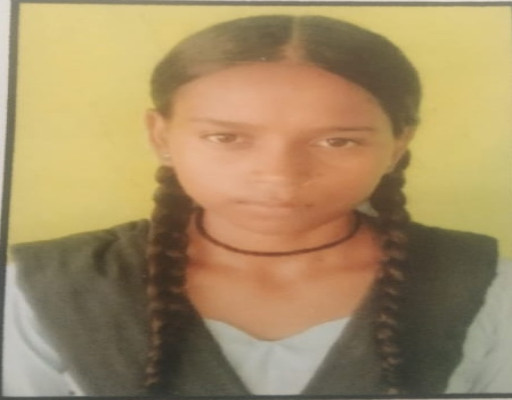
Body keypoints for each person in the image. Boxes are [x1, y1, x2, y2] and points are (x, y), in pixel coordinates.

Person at [3, 14, 512, 397]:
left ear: (398, 145)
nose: (280, 174)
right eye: (226, 137)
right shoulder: (46, 287)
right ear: (161, 136)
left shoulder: (486, 285)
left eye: (337, 141)